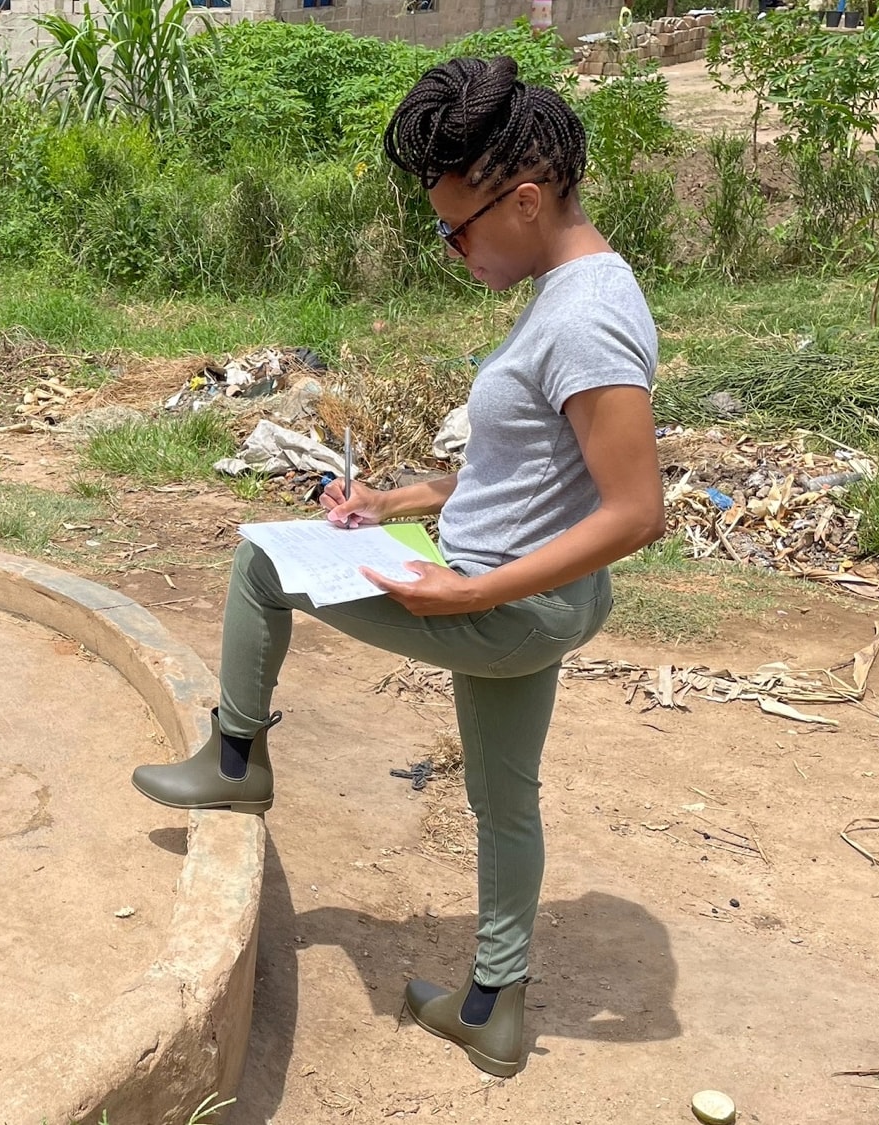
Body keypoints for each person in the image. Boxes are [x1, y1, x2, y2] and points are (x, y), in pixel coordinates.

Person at [131, 56, 666, 1078]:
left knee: (259, 564)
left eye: (454, 227)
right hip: (532, 593)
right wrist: (396, 501)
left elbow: (634, 510)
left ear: (522, 198)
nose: (451, 249)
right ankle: (491, 1007)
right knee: (504, 799)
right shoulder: (579, 287)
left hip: (504, 601)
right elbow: (532, 478)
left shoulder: (586, 314)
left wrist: (464, 590)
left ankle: (235, 761)